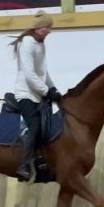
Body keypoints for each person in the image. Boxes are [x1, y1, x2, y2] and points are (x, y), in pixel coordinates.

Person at [9, 11, 61, 182]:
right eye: (47, 28)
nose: (49, 31)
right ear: (38, 28)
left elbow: (43, 72)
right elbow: (30, 75)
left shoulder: (40, 44)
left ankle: (43, 162)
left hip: (38, 93)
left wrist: (53, 88)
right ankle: (24, 165)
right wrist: (47, 91)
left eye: (50, 28)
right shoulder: (27, 43)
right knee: (35, 125)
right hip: (25, 93)